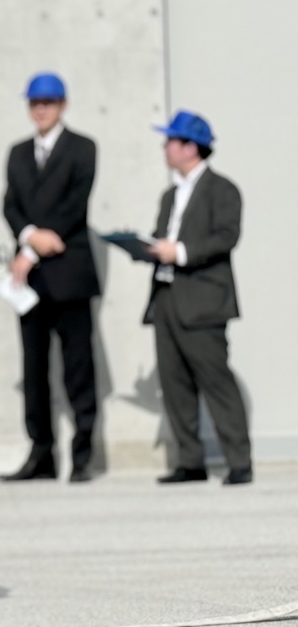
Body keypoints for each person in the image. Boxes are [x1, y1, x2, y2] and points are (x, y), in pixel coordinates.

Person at [0, 72, 100, 483]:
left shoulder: (83, 148)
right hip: (31, 279)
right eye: (35, 102)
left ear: (63, 105)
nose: (41, 109)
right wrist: (29, 241)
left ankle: (82, 456)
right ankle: (41, 455)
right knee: (34, 370)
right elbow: (10, 205)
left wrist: (32, 246)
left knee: (78, 367)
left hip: (70, 274)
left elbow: (75, 206)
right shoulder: (18, 153)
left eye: (49, 102)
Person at [144, 110, 252, 486]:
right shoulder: (169, 194)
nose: (165, 147)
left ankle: (239, 461)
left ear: (191, 147)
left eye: (170, 141)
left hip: (204, 301)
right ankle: (190, 461)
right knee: (175, 384)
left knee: (216, 380)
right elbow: (163, 238)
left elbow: (226, 236)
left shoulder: (223, 189)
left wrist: (182, 253)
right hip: (167, 297)